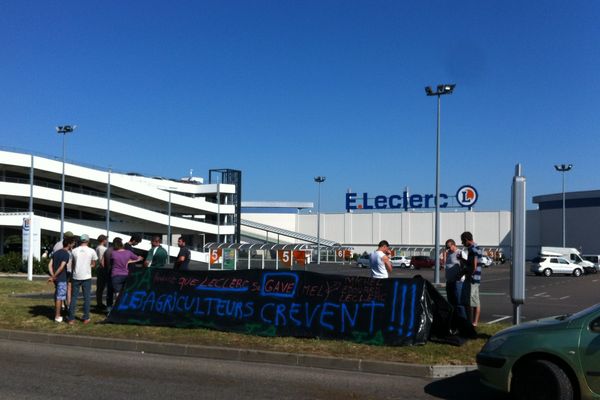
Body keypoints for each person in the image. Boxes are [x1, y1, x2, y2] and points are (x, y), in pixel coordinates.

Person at [68, 234, 98, 324]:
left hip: (76, 275)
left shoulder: (74, 250)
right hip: (86, 276)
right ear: (88, 241)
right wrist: (88, 266)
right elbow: (93, 264)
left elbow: (73, 264)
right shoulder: (92, 251)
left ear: (80, 241)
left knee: (74, 298)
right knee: (87, 298)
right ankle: (86, 318)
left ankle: (71, 319)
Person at [47, 236, 75, 323]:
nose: (73, 245)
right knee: (60, 297)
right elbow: (62, 267)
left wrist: (52, 275)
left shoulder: (56, 253)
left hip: (56, 278)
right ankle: (57, 316)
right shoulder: (66, 254)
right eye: (73, 244)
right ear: (69, 244)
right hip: (62, 278)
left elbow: (49, 265)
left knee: (57, 296)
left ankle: (57, 314)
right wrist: (54, 276)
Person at [460, 231, 483, 327]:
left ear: (466, 240)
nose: (462, 244)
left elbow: (473, 266)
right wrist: (463, 260)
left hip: (472, 279)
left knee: (469, 301)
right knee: (475, 301)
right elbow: (473, 263)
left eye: (462, 241)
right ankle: (474, 323)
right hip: (476, 278)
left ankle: (471, 322)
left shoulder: (472, 249)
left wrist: (467, 274)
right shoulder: (477, 248)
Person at [110, 237, 143, 302]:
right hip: (126, 274)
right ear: (122, 245)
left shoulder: (113, 253)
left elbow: (111, 263)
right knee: (126, 292)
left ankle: (117, 307)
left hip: (116, 275)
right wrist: (139, 258)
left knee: (117, 293)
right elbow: (136, 258)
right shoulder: (128, 252)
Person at [443, 239, 468, 320]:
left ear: (454, 245)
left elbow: (466, 266)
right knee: (451, 303)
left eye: (449, 247)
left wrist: (460, 276)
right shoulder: (448, 254)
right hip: (449, 282)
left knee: (459, 303)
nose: (448, 249)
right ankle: (455, 320)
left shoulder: (460, 253)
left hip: (458, 282)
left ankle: (463, 321)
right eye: (447, 247)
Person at [52, 231, 74, 309]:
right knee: (62, 288)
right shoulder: (61, 245)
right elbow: (57, 259)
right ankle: (62, 306)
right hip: (63, 270)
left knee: (65, 287)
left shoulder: (59, 245)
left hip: (66, 270)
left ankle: (65, 305)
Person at [95, 235, 110, 310]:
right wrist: (106, 269)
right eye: (106, 239)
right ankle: (99, 303)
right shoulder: (102, 248)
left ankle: (99, 302)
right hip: (102, 269)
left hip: (99, 269)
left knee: (100, 287)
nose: (107, 241)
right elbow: (102, 260)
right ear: (103, 240)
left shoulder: (97, 247)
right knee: (101, 287)